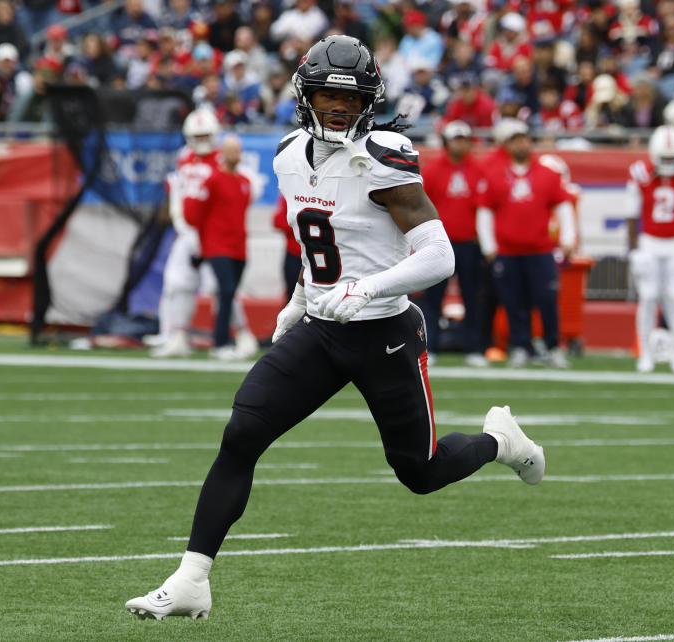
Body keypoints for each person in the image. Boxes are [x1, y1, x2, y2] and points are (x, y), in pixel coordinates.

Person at [125, 34, 546, 622]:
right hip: (323, 329)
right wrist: (302, 297)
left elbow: (439, 256)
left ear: (370, 100)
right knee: (242, 433)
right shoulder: (289, 154)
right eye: (326, 96)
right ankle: (193, 578)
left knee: (419, 473)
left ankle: (501, 442)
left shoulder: (382, 155)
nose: (339, 108)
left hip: (384, 333)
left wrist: (367, 289)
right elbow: (321, 242)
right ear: (306, 96)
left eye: (350, 99)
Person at [150, 108, 256, 359]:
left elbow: (244, 190)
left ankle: (242, 335)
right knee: (177, 284)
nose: (200, 141)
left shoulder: (225, 160)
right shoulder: (184, 157)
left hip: (211, 234)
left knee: (222, 288)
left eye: (205, 135)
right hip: (187, 233)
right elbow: (177, 192)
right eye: (196, 136)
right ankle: (176, 335)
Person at [477, 119, 575, 368]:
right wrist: (489, 246)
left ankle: (553, 346)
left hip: (540, 249)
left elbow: (563, 206)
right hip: (508, 250)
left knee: (547, 299)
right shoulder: (495, 175)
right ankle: (521, 346)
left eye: (523, 138)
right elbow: (485, 211)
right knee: (513, 301)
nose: (520, 144)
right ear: (507, 145)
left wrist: (567, 238)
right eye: (515, 140)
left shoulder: (547, 173)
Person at [625, 126, 674, 374]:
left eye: (672, 158)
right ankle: (645, 354)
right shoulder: (640, 174)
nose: (668, 163)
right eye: (665, 157)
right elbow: (631, 215)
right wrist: (634, 250)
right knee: (647, 298)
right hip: (650, 242)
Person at [420, 120, 488, 366]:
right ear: (447, 142)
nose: (461, 144)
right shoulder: (433, 170)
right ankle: (430, 347)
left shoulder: (477, 169)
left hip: (469, 243)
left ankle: (474, 348)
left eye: (464, 139)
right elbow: (423, 207)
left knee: (472, 297)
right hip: (440, 243)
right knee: (433, 298)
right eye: (456, 139)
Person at [183, 135, 255, 359]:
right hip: (218, 246)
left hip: (238, 247)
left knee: (230, 292)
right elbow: (197, 215)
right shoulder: (213, 180)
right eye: (230, 150)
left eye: (237, 150)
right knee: (225, 290)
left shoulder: (245, 182)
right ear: (222, 153)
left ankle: (229, 339)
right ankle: (220, 341)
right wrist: (204, 247)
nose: (235, 155)